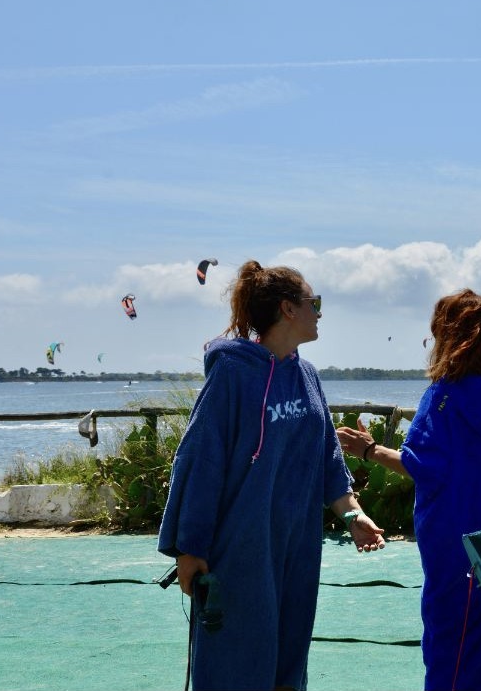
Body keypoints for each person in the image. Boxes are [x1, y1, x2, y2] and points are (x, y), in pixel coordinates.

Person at [158, 260, 385, 691]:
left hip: (297, 544)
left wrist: (353, 515)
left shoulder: (307, 376)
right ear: (288, 309)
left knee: (288, 660)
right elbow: (199, 460)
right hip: (241, 548)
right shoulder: (232, 374)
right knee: (236, 663)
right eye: (313, 303)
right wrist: (188, 549)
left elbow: (326, 458)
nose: (319, 312)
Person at [337, 254, 481, 691]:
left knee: (452, 660)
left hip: (460, 555)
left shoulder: (443, 398)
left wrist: (368, 448)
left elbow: (418, 466)